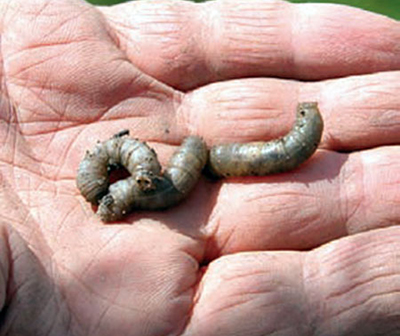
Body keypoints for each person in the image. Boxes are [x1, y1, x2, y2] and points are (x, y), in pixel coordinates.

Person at [0, 0, 399, 335]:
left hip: (184, 162)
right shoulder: (133, 176)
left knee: (273, 152)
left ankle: (299, 126)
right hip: (173, 165)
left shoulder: (138, 170)